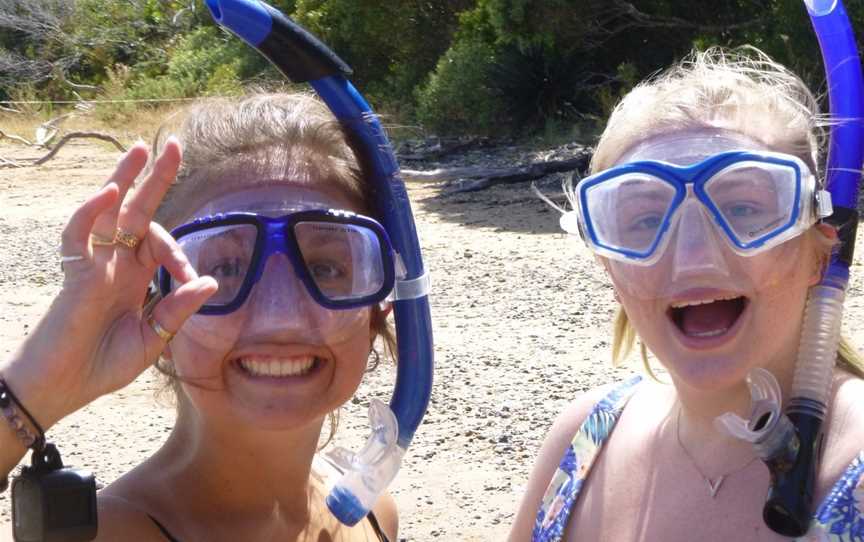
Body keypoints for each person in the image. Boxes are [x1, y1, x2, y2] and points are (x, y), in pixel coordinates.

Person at [0, 92, 399, 541]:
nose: (281, 319)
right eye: (225, 268)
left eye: (326, 268)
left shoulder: (370, 512)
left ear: (378, 304)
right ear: (155, 306)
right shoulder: (114, 534)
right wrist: (30, 394)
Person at [509, 48, 864, 541]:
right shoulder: (581, 440)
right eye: (647, 220)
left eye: (742, 208)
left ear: (820, 252)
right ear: (608, 262)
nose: (694, 258)